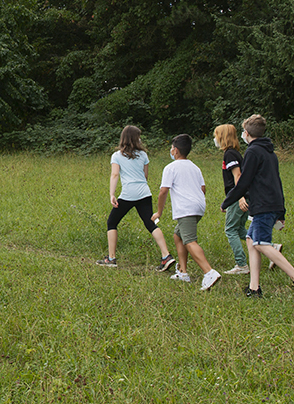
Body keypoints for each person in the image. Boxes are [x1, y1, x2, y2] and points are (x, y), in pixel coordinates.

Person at [222, 115, 294, 299]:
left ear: (246, 133)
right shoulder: (269, 151)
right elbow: (276, 181)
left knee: (262, 243)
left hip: (264, 205)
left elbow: (243, 182)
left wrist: (227, 201)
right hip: (270, 203)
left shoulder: (253, 152)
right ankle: (254, 288)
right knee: (250, 239)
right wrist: (282, 211)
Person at [96, 125, 175, 270]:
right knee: (150, 223)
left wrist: (112, 194)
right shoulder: (143, 155)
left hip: (128, 194)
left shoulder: (117, 156)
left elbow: (114, 175)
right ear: (135, 138)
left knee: (112, 222)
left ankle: (111, 258)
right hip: (144, 193)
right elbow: (145, 175)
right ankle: (166, 256)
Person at [155, 134, 221, 289]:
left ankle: (209, 272)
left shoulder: (170, 168)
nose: (171, 151)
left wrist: (159, 212)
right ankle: (183, 272)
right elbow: (203, 188)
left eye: (172, 148)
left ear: (176, 151)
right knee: (178, 235)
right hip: (198, 207)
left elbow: (163, 191)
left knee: (189, 240)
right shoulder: (194, 167)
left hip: (186, 209)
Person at [213, 124, 250, 275]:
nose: (215, 139)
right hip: (241, 196)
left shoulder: (230, 154)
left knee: (230, 230)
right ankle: (270, 247)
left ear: (222, 137)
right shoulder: (233, 153)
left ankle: (241, 264)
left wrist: (239, 197)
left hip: (237, 197)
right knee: (240, 229)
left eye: (216, 135)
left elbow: (238, 176)